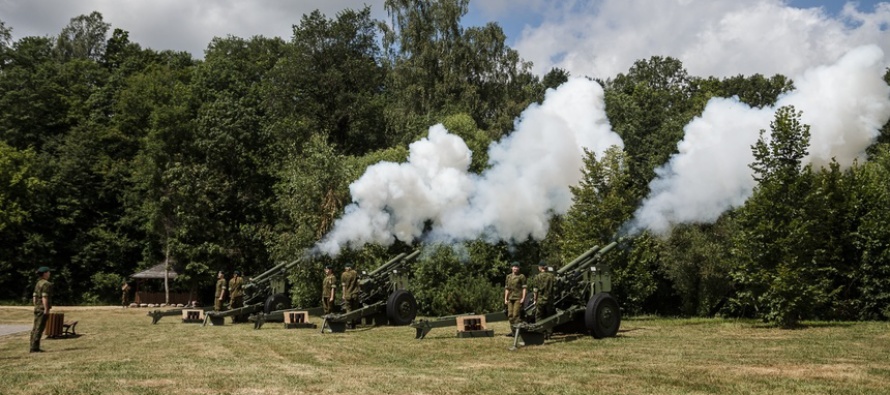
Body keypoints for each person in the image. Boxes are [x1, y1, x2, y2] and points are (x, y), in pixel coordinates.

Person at [30, 266, 53, 353]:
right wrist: (46, 309)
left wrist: (36, 305)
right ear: (45, 273)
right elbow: (44, 297)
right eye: (48, 272)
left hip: (37, 307)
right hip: (42, 308)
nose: (49, 274)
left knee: (35, 327)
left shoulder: (38, 283)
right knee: (39, 328)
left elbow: (34, 296)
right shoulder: (46, 284)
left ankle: (32, 346)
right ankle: (35, 348)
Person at [504, 262, 527, 326]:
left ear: (519, 268)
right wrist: (505, 299)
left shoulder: (521, 276)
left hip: (518, 298)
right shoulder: (508, 277)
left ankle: (519, 331)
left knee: (516, 315)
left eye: (517, 267)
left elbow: (524, 288)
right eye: (514, 267)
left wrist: (523, 298)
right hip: (510, 298)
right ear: (512, 268)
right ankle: (514, 331)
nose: (515, 268)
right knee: (510, 315)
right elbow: (507, 289)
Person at [340, 263, 359, 328]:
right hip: (355, 293)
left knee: (348, 309)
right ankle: (354, 323)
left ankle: (349, 323)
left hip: (348, 294)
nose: (345, 268)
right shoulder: (355, 273)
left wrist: (343, 294)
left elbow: (343, 286)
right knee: (355, 309)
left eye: (346, 267)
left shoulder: (343, 274)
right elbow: (358, 282)